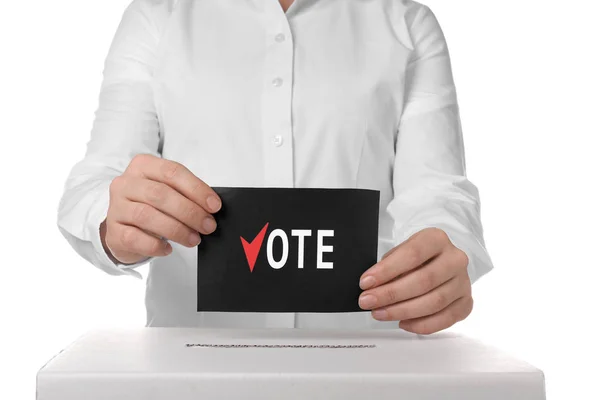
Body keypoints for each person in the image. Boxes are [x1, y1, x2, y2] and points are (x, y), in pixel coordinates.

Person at [58, 0, 493, 333]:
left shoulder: (406, 23)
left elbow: (437, 192)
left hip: (366, 370)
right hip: (192, 376)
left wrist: (448, 251)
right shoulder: (157, 16)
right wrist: (113, 220)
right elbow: (96, 184)